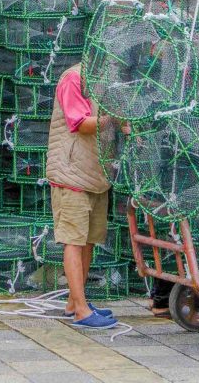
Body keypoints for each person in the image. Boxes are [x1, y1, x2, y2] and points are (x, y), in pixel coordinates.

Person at [47, 63, 117, 329]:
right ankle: (81, 312)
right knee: (73, 240)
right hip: (72, 172)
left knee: (88, 240)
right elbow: (81, 124)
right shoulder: (74, 79)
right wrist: (113, 119)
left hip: (96, 173)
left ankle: (75, 302)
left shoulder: (106, 77)